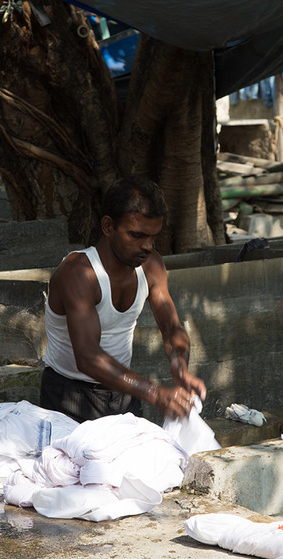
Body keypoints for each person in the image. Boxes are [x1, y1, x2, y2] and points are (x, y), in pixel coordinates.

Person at [40, 176, 207, 423]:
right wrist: (154, 393)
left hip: (124, 391)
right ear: (108, 227)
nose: (148, 246)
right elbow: (87, 358)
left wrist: (179, 363)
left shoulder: (151, 266)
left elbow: (172, 327)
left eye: (153, 237)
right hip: (69, 395)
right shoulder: (78, 273)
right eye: (137, 235)